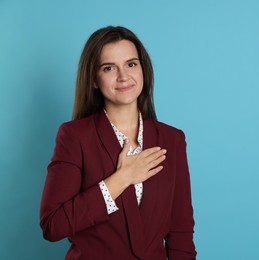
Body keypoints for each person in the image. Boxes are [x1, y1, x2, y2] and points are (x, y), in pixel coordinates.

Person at [40, 26, 196, 260]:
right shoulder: (74, 137)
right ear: (93, 79)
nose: (123, 76)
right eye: (109, 68)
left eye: (131, 64)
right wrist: (121, 179)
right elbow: (53, 225)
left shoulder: (172, 140)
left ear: (143, 70)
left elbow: (180, 234)